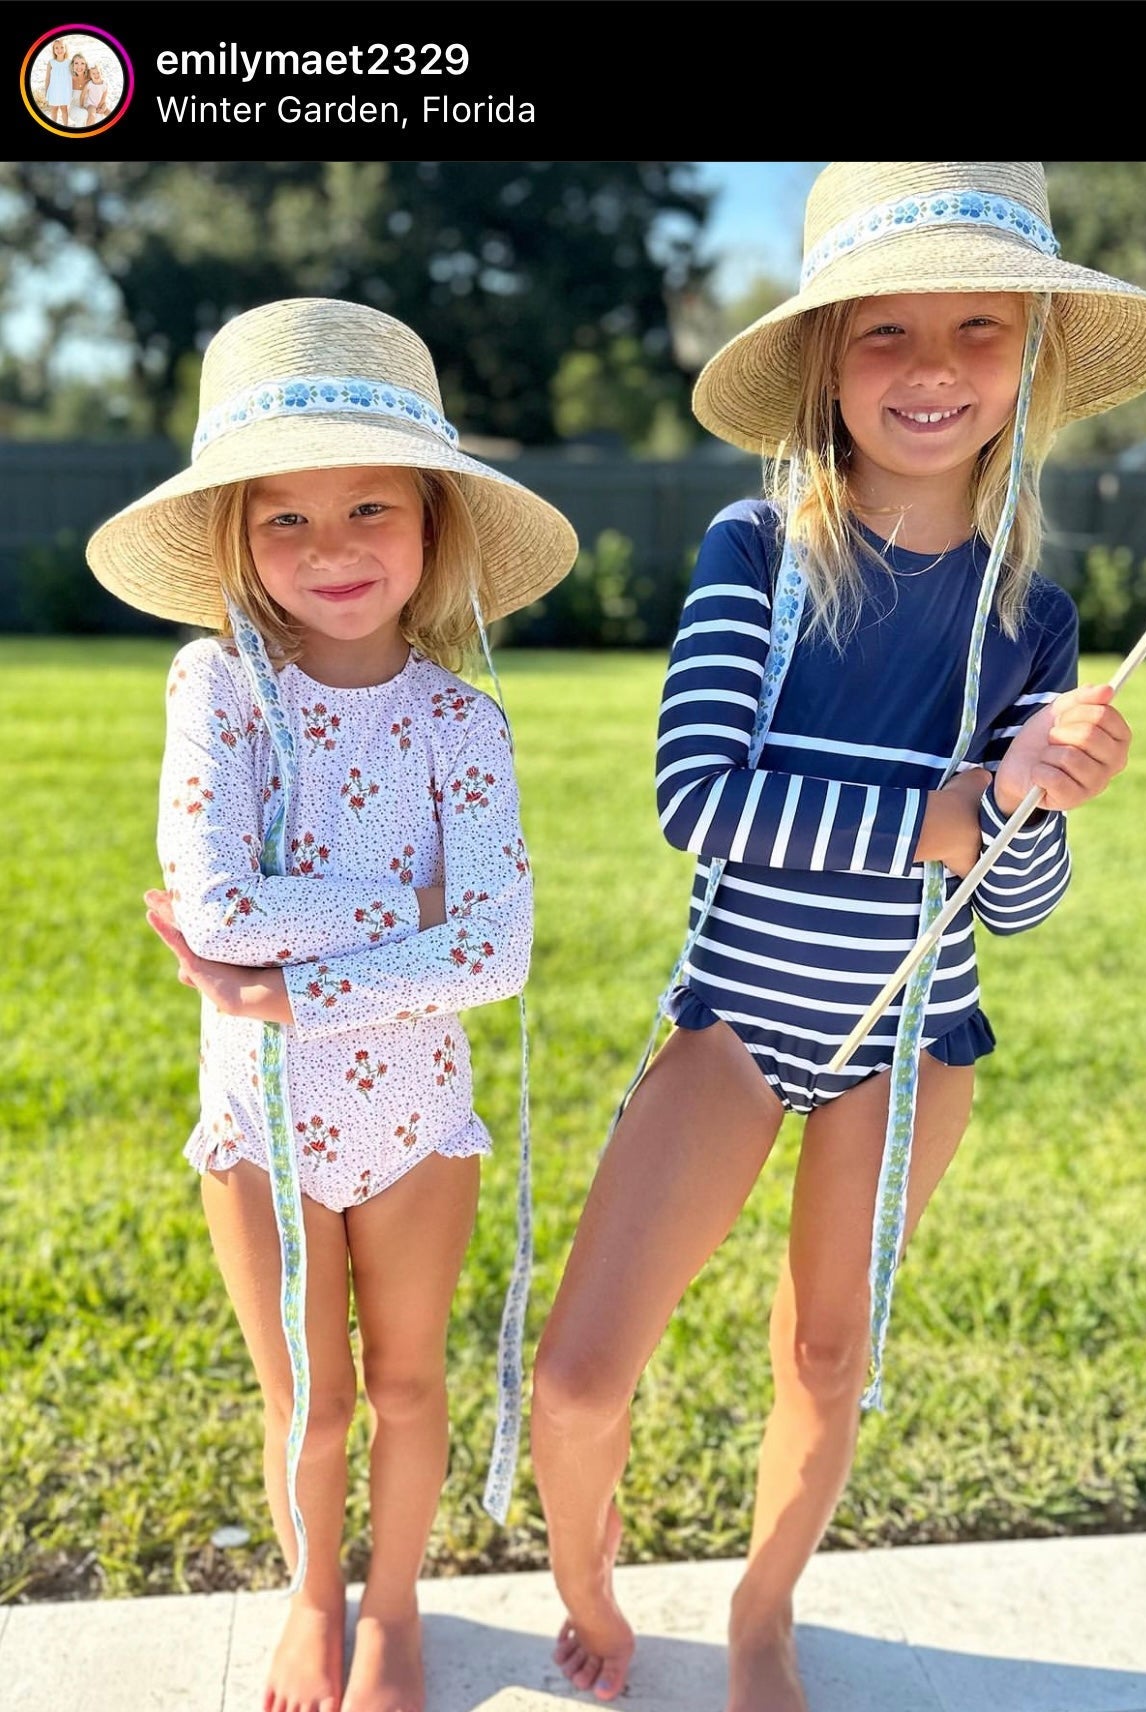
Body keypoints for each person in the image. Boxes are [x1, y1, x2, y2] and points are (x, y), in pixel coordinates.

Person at [530, 161, 1146, 1710]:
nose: (932, 366)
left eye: (977, 327)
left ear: (1029, 355)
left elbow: (1009, 903)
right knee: (578, 1378)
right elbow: (697, 797)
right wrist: (946, 809)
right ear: (824, 356)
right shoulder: (754, 550)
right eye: (885, 329)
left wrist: (1036, 806)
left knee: (827, 1359)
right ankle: (585, 1577)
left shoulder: (1029, 611)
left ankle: (763, 1613)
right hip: (740, 1018)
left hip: (911, 1039)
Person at [85, 297, 577, 1712]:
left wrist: (295, 992)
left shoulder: (460, 722)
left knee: (409, 1387)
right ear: (235, 535)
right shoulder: (218, 688)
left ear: (431, 521)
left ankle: (395, 1608)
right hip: (260, 1125)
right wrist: (410, 906)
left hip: (417, 1119)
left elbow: (500, 951)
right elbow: (214, 908)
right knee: (308, 1399)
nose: (331, 545)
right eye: (283, 516)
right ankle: (313, 1594)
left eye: (370, 505)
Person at [41, 38, 72, 124]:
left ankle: (65, 126)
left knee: (64, 109)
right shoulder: (51, 62)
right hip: (53, 90)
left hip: (64, 91)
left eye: (62, 47)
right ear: (53, 50)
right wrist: (46, 90)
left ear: (65, 48)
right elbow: (47, 78)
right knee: (54, 110)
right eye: (56, 48)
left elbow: (74, 76)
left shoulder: (69, 62)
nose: (59, 50)